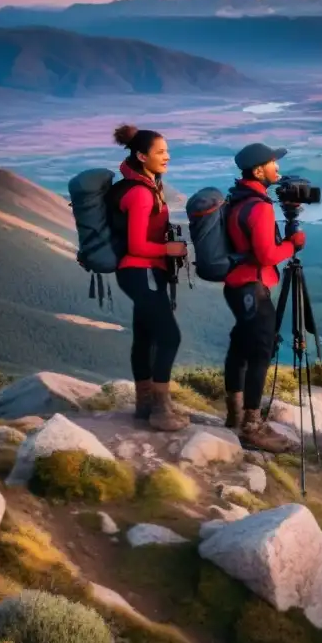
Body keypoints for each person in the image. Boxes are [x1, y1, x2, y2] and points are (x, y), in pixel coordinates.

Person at [222, 142, 304, 453]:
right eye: (273, 164)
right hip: (253, 289)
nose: (278, 170)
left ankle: (235, 415)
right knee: (260, 353)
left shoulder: (239, 199)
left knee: (240, 348)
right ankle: (251, 426)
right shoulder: (259, 207)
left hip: (236, 287)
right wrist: (293, 245)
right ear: (258, 171)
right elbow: (266, 254)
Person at [112, 124, 189, 432]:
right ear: (142, 156)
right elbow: (136, 245)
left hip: (137, 272)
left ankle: (144, 407)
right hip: (139, 271)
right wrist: (169, 248)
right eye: (160, 152)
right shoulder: (141, 194)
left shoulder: (143, 183)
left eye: (167, 150)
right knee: (170, 337)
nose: (167, 156)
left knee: (144, 337)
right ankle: (160, 410)